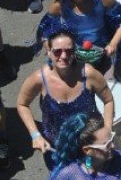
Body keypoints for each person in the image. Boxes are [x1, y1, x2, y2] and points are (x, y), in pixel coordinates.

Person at [16, 26, 113, 159]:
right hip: (57, 149)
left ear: (75, 51)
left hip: (92, 145)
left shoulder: (88, 74)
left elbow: (108, 100)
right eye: (57, 52)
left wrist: (107, 130)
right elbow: (22, 104)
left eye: (69, 51)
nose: (64, 56)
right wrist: (35, 135)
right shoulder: (39, 79)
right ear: (49, 52)